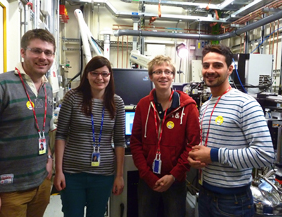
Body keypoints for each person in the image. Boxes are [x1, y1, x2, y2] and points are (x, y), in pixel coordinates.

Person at [188, 44, 275, 217]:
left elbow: (265, 155)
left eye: (217, 65)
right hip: (205, 194)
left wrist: (213, 155)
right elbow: (207, 146)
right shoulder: (205, 106)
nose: (210, 70)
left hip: (233, 201)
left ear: (230, 69)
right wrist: (195, 158)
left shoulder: (246, 104)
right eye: (206, 65)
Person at [0, 29, 55, 217]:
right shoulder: (0, 85)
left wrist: (48, 159)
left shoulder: (47, 86)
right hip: (9, 189)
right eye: (36, 51)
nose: (43, 57)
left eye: (48, 52)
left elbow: (44, 129)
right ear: (23, 52)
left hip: (40, 183)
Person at [54, 56, 125, 217]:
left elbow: (120, 141)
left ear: (110, 76)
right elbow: (61, 135)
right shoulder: (73, 97)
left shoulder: (117, 102)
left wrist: (119, 176)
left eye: (105, 74)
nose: (100, 78)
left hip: (103, 175)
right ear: (87, 74)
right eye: (95, 73)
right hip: (72, 174)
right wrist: (58, 171)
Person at [130, 55, 200, 217]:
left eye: (167, 71)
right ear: (150, 76)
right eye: (158, 72)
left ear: (173, 76)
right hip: (148, 180)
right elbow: (135, 142)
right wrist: (147, 175)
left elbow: (193, 143)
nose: (163, 75)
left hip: (175, 180)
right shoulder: (143, 105)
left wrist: (174, 175)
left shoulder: (188, 106)